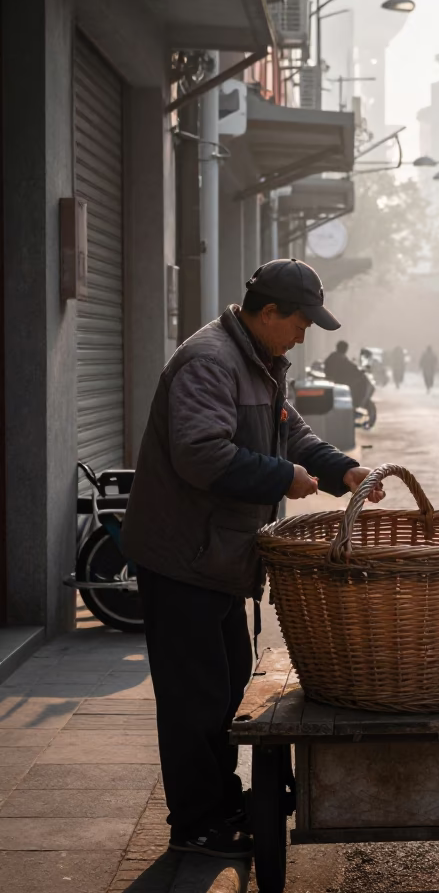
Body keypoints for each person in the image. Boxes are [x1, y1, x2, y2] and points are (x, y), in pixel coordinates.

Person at [121, 259, 385, 860]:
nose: (304, 334)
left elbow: (290, 433)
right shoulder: (211, 362)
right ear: (268, 313)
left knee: (227, 688)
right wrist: (281, 478)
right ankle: (196, 824)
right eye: (299, 322)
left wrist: (342, 469)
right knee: (195, 700)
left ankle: (221, 801)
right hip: (183, 558)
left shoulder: (260, 365)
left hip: (219, 556)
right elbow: (200, 453)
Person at [323, 340, 368, 409]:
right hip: (339, 381)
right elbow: (351, 366)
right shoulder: (341, 358)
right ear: (345, 349)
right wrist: (360, 371)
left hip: (333, 379)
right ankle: (355, 403)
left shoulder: (332, 356)